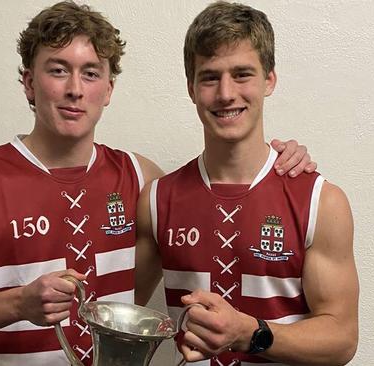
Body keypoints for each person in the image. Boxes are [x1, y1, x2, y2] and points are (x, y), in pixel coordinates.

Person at [0, 1, 315, 365]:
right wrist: (18, 302)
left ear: (108, 90)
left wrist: (283, 159)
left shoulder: (143, 181)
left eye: (90, 73)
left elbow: (226, 185)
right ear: (30, 83)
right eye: (57, 70)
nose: (74, 89)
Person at [135, 1, 359, 365]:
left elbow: (342, 339)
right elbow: (118, 309)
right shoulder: (157, 199)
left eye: (242, 74)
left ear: (269, 80)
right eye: (209, 76)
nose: (226, 93)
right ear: (191, 87)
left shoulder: (320, 200)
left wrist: (249, 333)